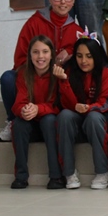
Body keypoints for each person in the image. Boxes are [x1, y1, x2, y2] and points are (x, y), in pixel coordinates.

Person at [0, 0, 83, 142]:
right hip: (32, 79)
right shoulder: (34, 23)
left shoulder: (77, 31)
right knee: (8, 78)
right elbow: (20, 59)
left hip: (58, 84)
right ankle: (12, 120)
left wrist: (70, 52)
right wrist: (42, 70)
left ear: (73, 0)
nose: (62, 2)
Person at [54, 37, 108, 190]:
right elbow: (67, 104)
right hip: (76, 116)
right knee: (64, 116)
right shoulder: (69, 70)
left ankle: (102, 171)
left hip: (97, 118)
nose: (83, 61)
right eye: (79, 56)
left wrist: (89, 108)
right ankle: (69, 172)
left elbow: (105, 102)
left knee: (94, 118)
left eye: (89, 56)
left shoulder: (107, 71)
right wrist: (64, 81)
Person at [11, 35, 64, 189]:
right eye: (35, 52)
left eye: (45, 52)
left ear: (52, 54)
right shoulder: (24, 73)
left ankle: (56, 176)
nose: (40, 56)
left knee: (49, 120)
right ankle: (21, 176)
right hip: (31, 123)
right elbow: (18, 102)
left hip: (50, 125)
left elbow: (59, 106)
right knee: (18, 124)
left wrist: (38, 108)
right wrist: (24, 110)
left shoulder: (57, 73)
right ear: (29, 55)